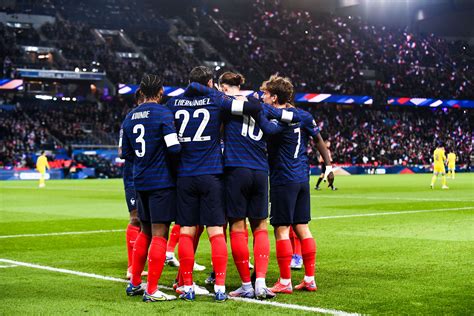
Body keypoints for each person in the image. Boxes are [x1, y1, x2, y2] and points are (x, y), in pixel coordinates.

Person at [166, 66, 264, 302]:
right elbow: (252, 107)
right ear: (210, 82)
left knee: (187, 232)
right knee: (216, 232)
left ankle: (187, 285)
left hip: (185, 175)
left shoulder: (173, 103)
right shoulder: (217, 100)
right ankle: (220, 287)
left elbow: (170, 143)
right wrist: (245, 97)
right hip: (212, 174)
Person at [217, 71, 300, 300]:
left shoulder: (229, 105)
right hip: (260, 171)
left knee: (237, 227)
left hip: (236, 168)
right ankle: (261, 283)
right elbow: (280, 125)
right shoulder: (265, 110)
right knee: (260, 227)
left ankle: (246, 284)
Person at [260, 75, 330, 294]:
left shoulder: (277, 117)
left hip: (283, 177)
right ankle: (309, 279)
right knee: (303, 228)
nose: (262, 97)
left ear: (274, 97)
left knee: (281, 230)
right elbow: (319, 140)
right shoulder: (304, 115)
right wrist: (328, 165)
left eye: (265, 94)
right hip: (302, 177)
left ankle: (285, 281)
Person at [121, 74, 181, 302]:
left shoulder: (130, 116)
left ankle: (135, 282)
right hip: (161, 182)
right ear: (160, 92)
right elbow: (174, 148)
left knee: (144, 231)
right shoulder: (163, 113)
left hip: (139, 180)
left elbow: (125, 154)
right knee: (159, 234)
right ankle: (152, 289)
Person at [120, 88, 144, 279]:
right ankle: (131, 267)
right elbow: (122, 151)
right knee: (135, 218)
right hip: (134, 174)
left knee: (149, 222)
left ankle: (139, 263)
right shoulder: (130, 119)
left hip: (147, 174)